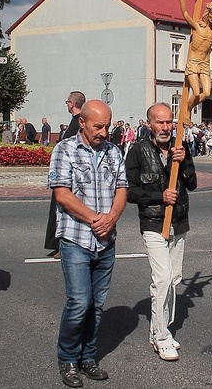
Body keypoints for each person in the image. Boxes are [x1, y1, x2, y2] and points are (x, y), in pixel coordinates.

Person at [48, 99, 127, 387]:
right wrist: (96, 218)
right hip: (76, 238)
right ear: (82, 123)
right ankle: (68, 358)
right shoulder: (64, 149)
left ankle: (88, 357)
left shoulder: (113, 152)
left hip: (106, 240)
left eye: (107, 126)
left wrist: (112, 218)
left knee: (96, 304)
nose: (104, 132)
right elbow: (62, 194)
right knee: (79, 302)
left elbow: (122, 189)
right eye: (98, 126)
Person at [126, 103, 197, 362]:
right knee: (163, 278)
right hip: (154, 224)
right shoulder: (138, 151)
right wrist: (160, 196)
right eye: (160, 122)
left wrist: (184, 162)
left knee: (174, 278)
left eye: (169, 122)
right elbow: (130, 191)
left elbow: (192, 183)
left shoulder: (181, 148)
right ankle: (162, 336)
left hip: (179, 223)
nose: (165, 127)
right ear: (149, 124)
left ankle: (159, 328)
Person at [45, 91, 86, 256]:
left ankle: (65, 245)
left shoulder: (80, 122)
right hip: (63, 171)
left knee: (66, 209)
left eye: (67, 102)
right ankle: (59, 244)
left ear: (72, 103)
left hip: (71, 175)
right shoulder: (75, 122)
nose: (67, 105)